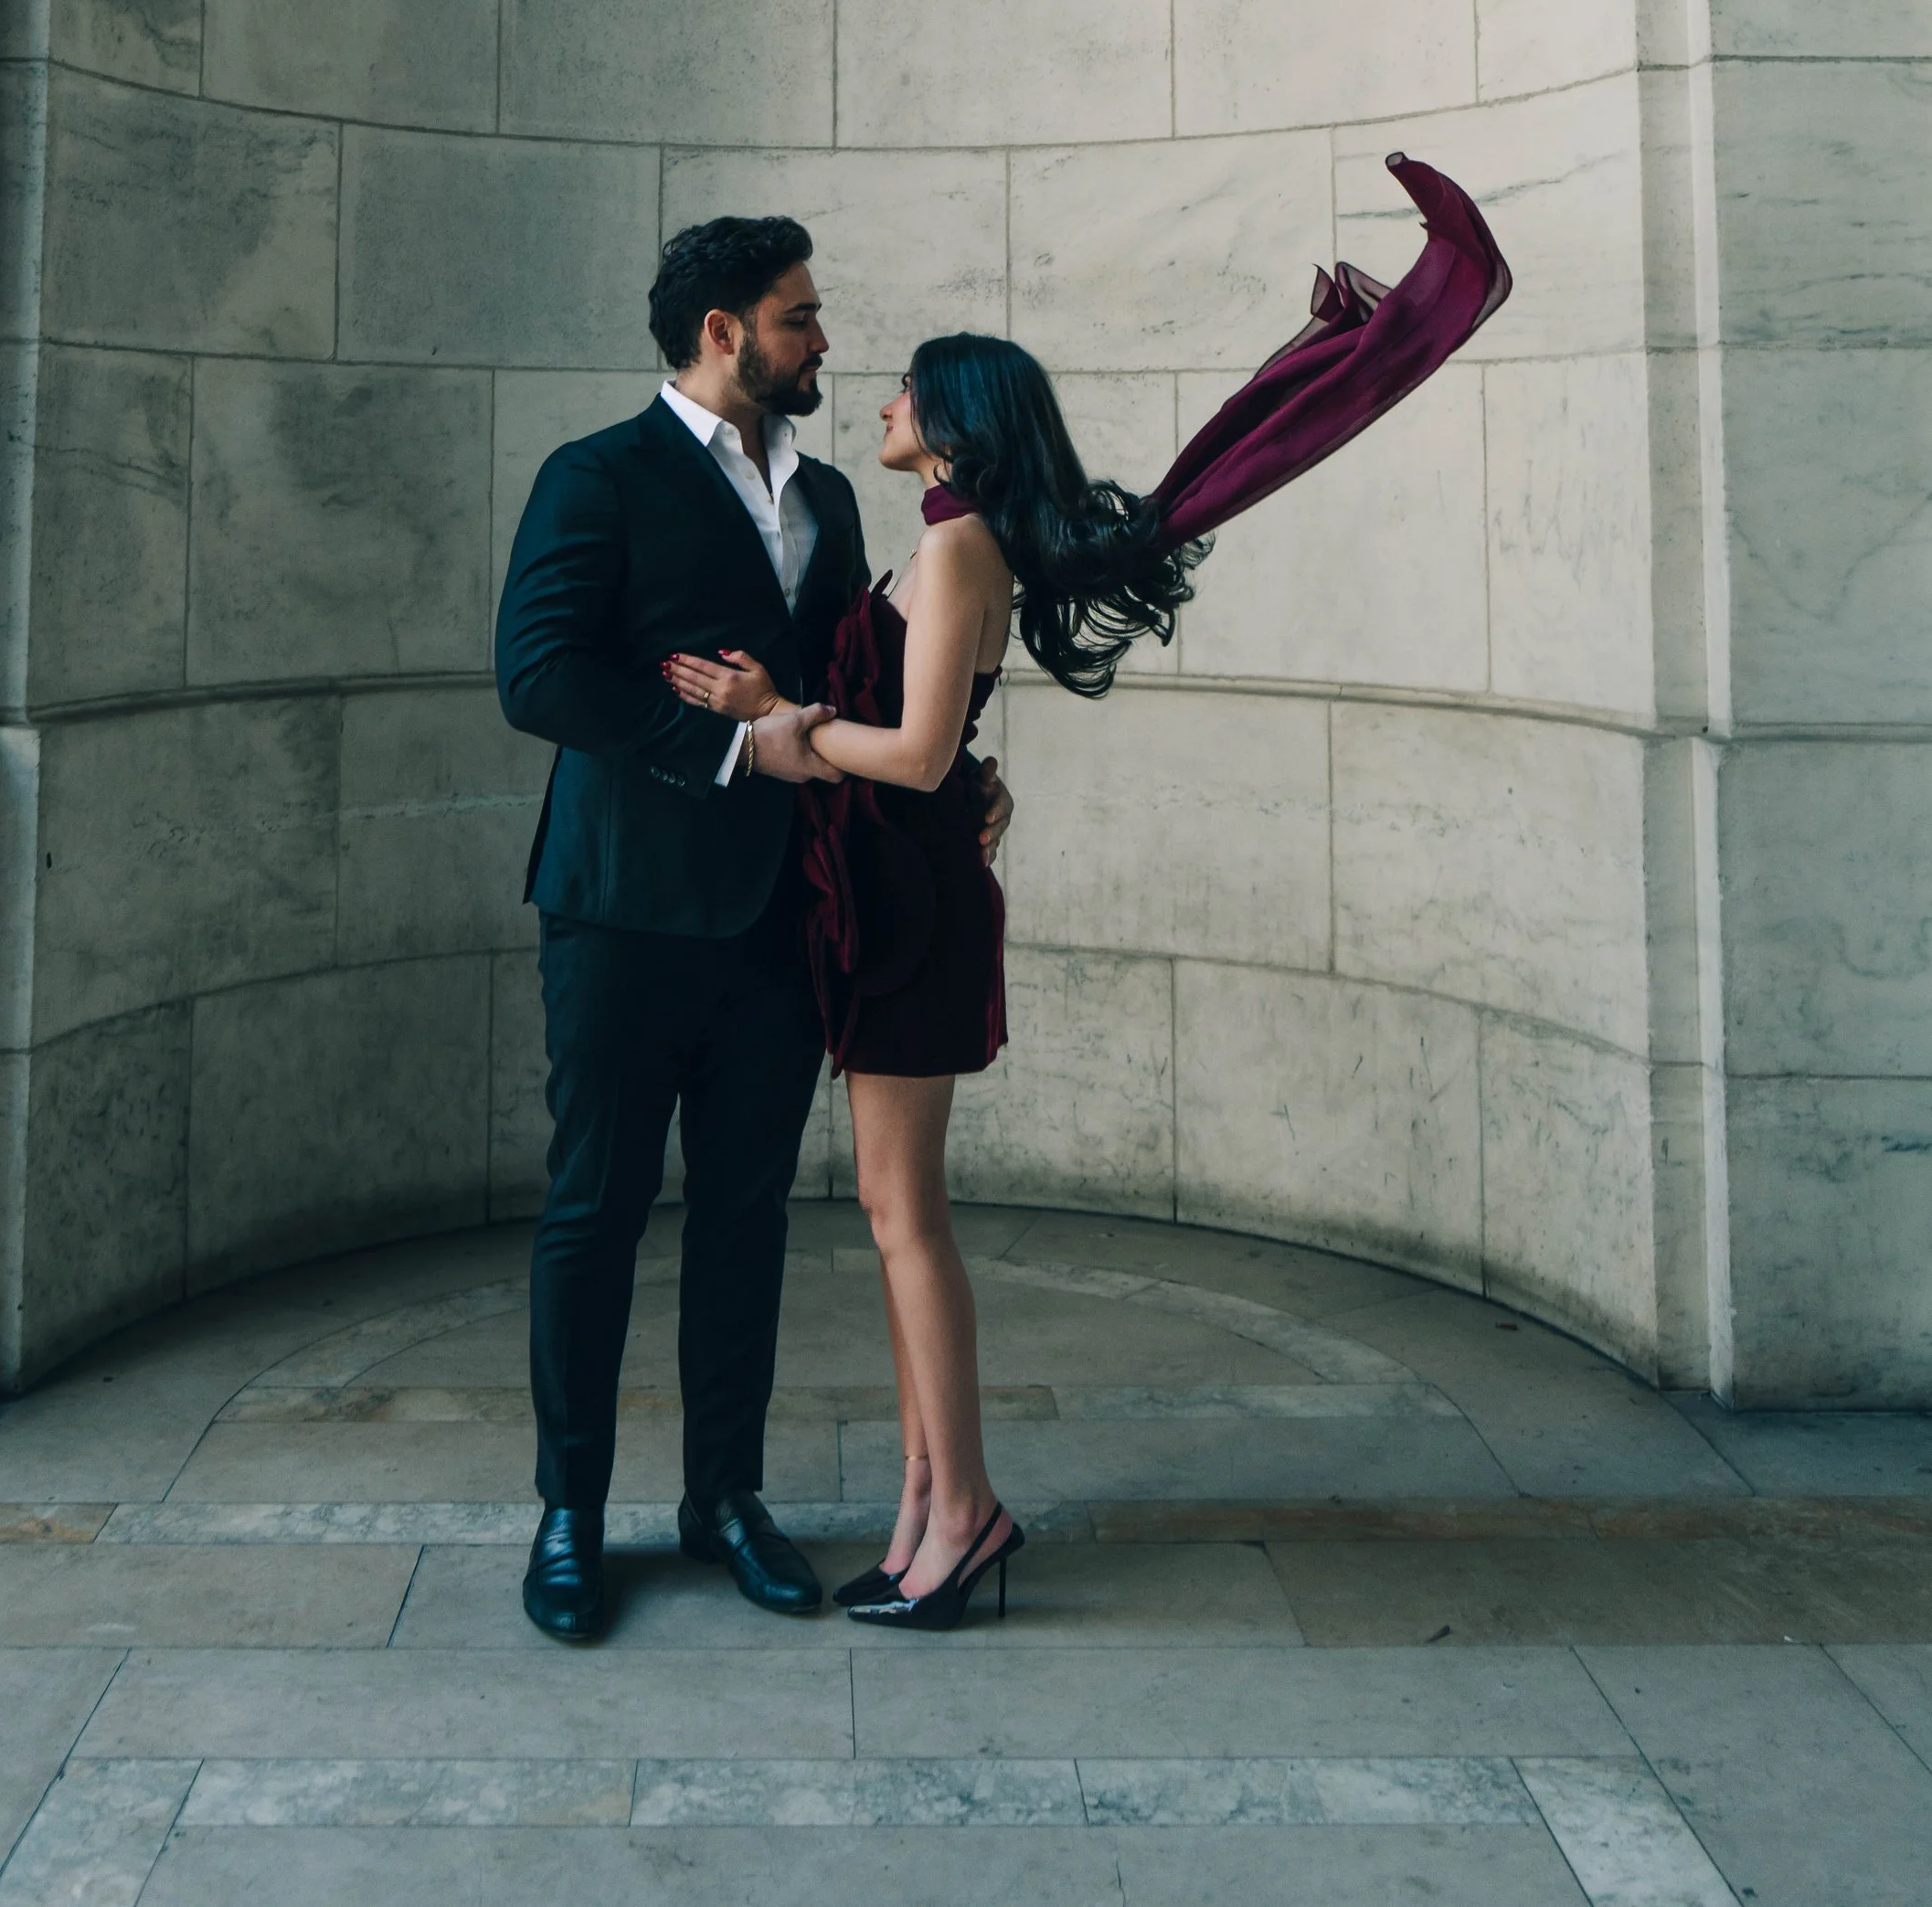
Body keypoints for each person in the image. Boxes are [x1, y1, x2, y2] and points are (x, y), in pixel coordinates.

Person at [665, 153, 1511, 1632]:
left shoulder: (955, 545)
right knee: (886, 1208)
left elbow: (921, 754)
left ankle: (969, 1509)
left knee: (905, 1216)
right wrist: (803, 709)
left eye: (908, 390)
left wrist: (775, 729)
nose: (880, 402)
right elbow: (929, 741)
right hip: (894, 889)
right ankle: (928, 1506)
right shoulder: (948, 547)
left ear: (954, 422)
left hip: (909, 895)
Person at [494, 213, 1008, 1647]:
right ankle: (570, 1515)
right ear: (723, 330)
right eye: (799, 317)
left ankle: (725, 1498)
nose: (824, 342)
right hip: (618, 912)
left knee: (743, 1219)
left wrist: (961, 764)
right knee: (593, 1213)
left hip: (788, 916)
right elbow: (536, 675)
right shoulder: (594, 475)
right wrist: (733, 750)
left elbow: (870, 677)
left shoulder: (835, 498)